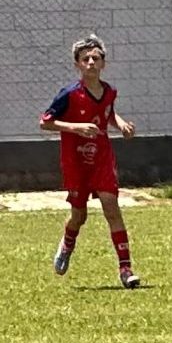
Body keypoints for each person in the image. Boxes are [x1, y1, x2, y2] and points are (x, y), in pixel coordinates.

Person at [39, 34, 141, 288]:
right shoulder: (69, 94)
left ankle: (126, 269)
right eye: (86, 59)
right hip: (75, 160)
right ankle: (67, 244)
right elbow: (45, 122)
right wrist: (76, 128)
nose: (91, 62)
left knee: (111, 208)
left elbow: (106, 112)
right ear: (78, 65)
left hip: (102, 157)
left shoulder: (108, 92)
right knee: (79, 215)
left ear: (104, 63)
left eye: (96, 58)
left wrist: (120, 124)